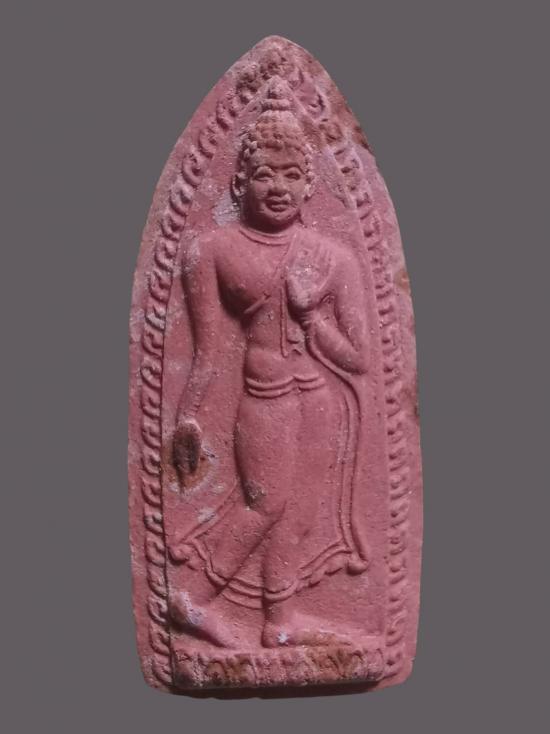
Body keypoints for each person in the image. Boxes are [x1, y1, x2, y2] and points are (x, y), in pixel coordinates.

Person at [169, 81, 370, 648]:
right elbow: (208, 350)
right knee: (266, 504)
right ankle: (192, 600)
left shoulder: (335, 259)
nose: (277, 187)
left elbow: (358, 359)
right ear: (239, 183)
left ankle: (279, 622)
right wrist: (188, 417)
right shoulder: (211, 250)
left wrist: (311, 317)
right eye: (264, 174)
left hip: (319, 401)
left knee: (300, 514)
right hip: (265, 396)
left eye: (290, 174)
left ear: (310, 185)